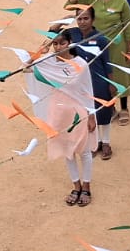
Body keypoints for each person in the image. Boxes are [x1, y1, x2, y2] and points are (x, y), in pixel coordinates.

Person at [27, 29, 98, 206]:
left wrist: (91, 116)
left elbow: (88, 90)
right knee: (68, 151)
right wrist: (41, 51)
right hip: (58, 112)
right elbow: (26, 68)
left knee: (84, 151)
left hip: (78, 111)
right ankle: (76, 186)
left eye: (62, 43)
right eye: (55, 43)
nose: (58, 47)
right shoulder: (47, 62)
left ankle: (86, 187)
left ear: (70, 42)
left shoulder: (80, 64)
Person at [64, 0, 130, 125]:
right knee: (102, 76)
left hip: (117, 45)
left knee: (120, 75)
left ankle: (124, 108)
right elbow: (68, 6)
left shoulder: (120, 1)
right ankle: (111, 108)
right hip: (96, 45)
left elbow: (128, 26)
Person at [67, 6, 116, 161]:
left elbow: (107, 62)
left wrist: (111, 83)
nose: (82, 22)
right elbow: (53, 33)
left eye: (86, 18)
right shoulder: (72, 34)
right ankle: (95, 143)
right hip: (80, 81)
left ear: (93, 20)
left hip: (98, 78)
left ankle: (106, 142)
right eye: (79, 18)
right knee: (88, 111)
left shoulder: (100, 39)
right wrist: (65, 19)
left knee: (103, 110)